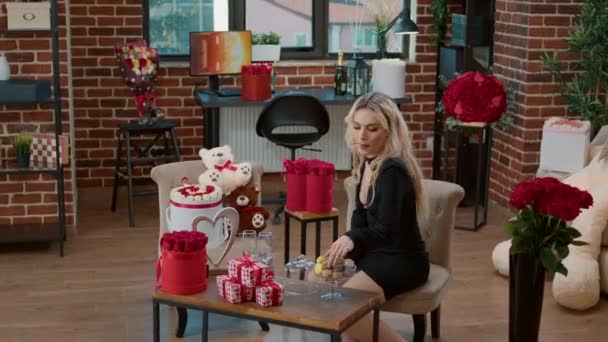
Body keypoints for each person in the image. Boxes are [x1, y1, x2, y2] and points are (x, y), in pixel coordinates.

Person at [325, 92, 430, 342]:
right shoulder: (368, 161)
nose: (362, 136)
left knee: (344, 311)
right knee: (320, 283)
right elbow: (361, 220)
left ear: (388, 131)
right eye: (357, 127)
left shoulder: (393, 170)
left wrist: (352, 239)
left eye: (372, 129)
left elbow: (386, 230)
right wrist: (346, 249)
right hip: (379, 253)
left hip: (403, 260)